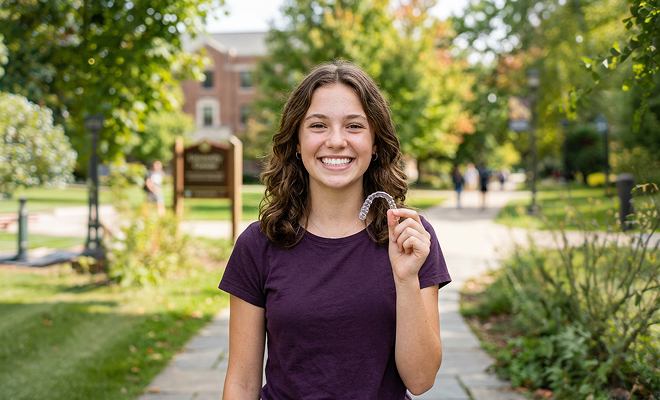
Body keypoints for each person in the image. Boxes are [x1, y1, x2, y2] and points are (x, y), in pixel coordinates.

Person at [218, 62, 451, 399]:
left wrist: (406, 280)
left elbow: (421, 380)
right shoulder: (259, 243)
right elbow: (241, 382)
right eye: (318, 125)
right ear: (297, 141)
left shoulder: (408, 236)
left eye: (354, 125)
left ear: (375, 143)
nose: (337, 141)